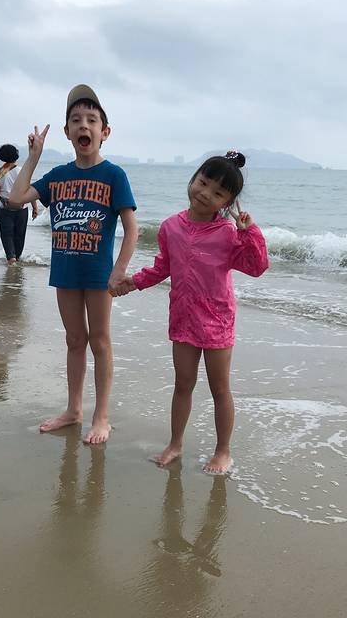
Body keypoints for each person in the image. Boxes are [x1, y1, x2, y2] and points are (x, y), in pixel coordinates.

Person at [118, 152, 268, 474]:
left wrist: (249, 232)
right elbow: (163, 268)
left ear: (228, 203)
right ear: (194, 178)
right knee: (182, 384)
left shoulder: (228, 233)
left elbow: (257, 267)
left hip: (217, 320)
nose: (205, 193)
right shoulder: (171, 227)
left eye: (218, 193)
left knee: (220, 389)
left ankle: (223, 451)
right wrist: (133, 282)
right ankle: (175, 444)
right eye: (203, 182)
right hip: (183, 318)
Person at [8, 84, 138, 444]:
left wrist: (119, 269)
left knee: (100, 341)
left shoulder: (113, 175)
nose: (84, 125)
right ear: (67, 132)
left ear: (104, 132)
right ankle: (73, 410)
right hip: (65, 271)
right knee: (74, 339)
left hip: (99, 275)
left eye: (92, 120)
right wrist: (33, 156)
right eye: (77, 120)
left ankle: (101, 417)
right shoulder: (59, 176)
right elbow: (16, 199)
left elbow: (132, 229)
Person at [0, 144, 38, 264]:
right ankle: (16, 258)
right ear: (16, 155)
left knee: (6, 235)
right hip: (22, 209)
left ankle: (11, 258)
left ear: (1, 156)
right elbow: (29, 190)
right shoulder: (22, 171)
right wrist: (35, 207)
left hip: (4, 209)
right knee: (20, 236)